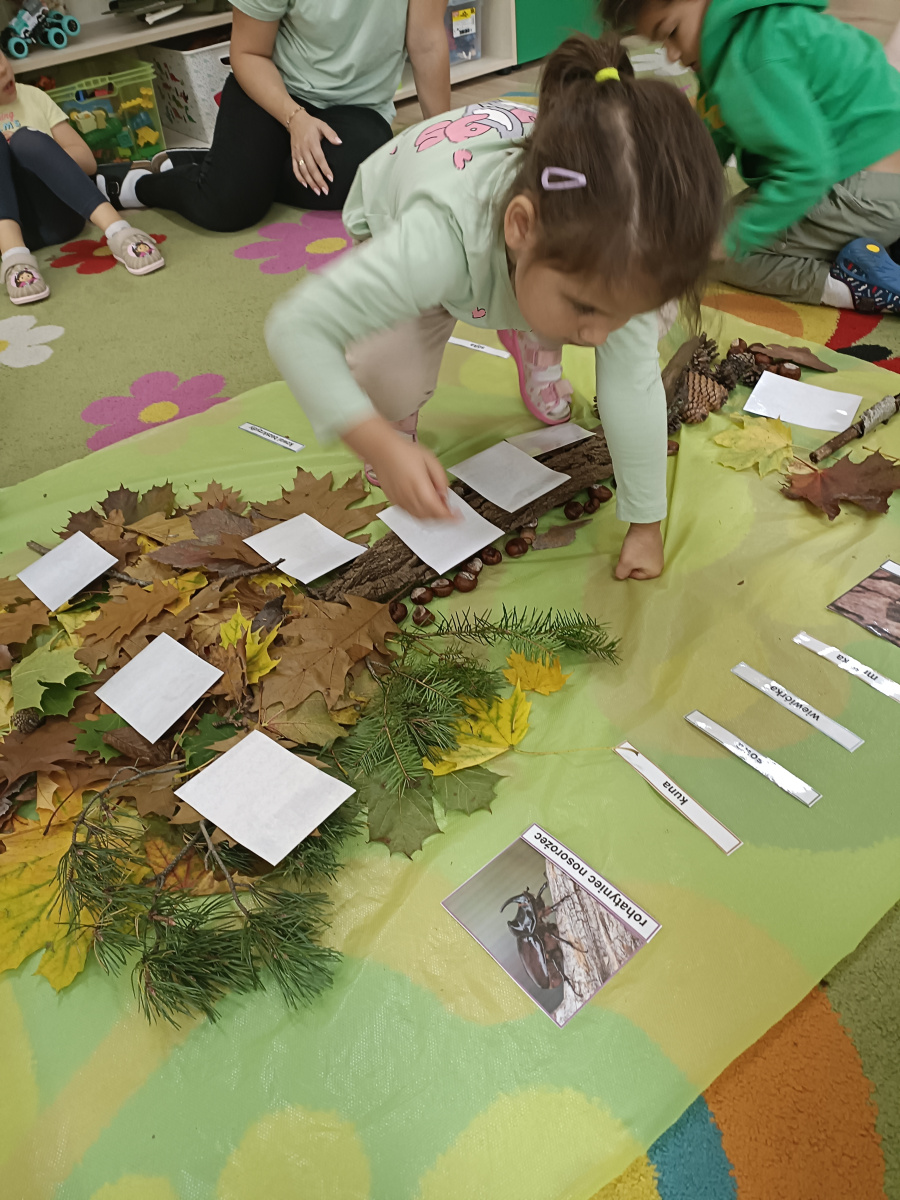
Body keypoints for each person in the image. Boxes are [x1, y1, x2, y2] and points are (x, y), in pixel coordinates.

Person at [265, 34, 723, 581]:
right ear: (521, 228)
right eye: (584, 307)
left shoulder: (617, 257)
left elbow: (632, 384)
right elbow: (297, 328)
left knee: (592, 324)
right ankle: (428, 394)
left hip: (522, 257)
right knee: (388, 375)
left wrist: (646, 525)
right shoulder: (435, 238)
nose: (599, 336)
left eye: (619, 312)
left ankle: (534, 330)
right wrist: (379, 442)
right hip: (412, 214)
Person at [600, 0, 900, 312]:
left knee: (702, 253)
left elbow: (808, 172)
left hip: (867, 195)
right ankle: (880, 244)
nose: (671, 55)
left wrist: (730, 241)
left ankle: (849, 285)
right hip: (876, 179)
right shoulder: (752, 27)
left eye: (672, 32)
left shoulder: (751, 61)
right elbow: (711, 137)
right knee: (707, 229)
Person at [97, 0, 452, 233]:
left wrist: (448, 141)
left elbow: (427, 43)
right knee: (226, 208)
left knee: (359, 181)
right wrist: (295, 118)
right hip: (272, 91)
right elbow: (248, 53)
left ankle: (227, 167)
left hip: (357, 108)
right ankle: (140, 184)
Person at [0, 52, 164, 305]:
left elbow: (87, 161)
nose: (2, 70)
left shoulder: (32, 96)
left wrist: (41, 154)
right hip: (6, 234)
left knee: (26, 139)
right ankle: (14, 257)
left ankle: (119, 231)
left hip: (59, 218)